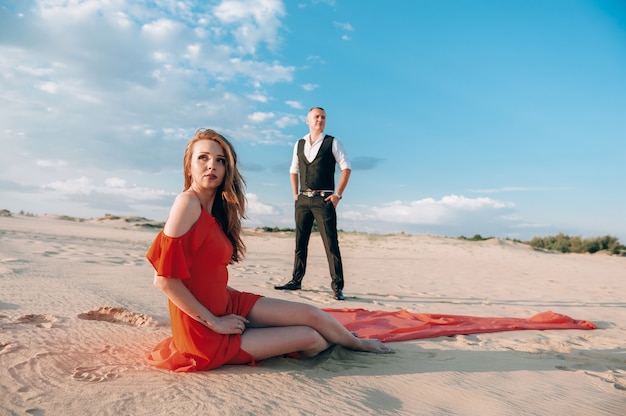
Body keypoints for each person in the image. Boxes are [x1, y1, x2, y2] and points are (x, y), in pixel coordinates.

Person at [146, 128, 392, 372]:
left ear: (227, 168)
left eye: (220, 160)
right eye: (203, 158)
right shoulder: (187, 203)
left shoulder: (216, 213)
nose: (212, 165)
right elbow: (165, 280)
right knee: (312, 338)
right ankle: (355, 343)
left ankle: (354, 342)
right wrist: (215, 323)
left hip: (229, 302)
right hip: (204, 334)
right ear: (189, 166)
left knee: (313, 315)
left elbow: (205, 275)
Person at [275, 107, 350, 300]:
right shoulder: (299, 143)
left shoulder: (333, 142)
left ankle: (337, 286)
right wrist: (295, 195)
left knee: (330, 243)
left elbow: (346, 168)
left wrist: (337, 196)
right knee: (300, 242)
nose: (320, 120)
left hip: (323, 199)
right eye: (316, 117)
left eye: (323, 117)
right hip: (302, 200)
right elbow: (293, 169)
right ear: (307, 120)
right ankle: (296, 280)